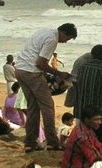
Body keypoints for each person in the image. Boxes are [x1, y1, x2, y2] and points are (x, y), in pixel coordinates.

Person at [14, 23, 76, 152]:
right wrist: (59, 73)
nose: (64, 42)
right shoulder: (53, 39)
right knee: (47, 106)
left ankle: (30, 142)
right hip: (32, 72)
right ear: (65, 33)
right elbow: (40, 63)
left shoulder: (44, 31)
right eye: (67, 39)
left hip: (20, 69)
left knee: (32, 106)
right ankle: (52, 142)